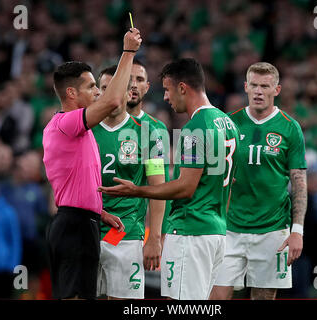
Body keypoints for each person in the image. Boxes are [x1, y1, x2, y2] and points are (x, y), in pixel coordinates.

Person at [99, 58, 241, 300]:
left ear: (182, 88)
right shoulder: (228, 123)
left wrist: (137, 191)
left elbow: (185, 188)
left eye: (167, 89)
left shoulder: (194, 129)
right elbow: (233, 183)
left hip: (190, 229)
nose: (165, 97)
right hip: (216, 230)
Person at [42, 28, 141, 300]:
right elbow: (112, 102)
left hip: (85, 222)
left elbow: (79, 183)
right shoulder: (65, 123)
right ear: (71, 93)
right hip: (73, 226)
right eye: (92, 86)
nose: (98, 91)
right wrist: (128, 52)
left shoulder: (81, 132)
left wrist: (99, 213)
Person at [210, 62, 308, 300]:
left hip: (272, 230)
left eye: (265, 86)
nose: (258, 91)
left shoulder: (290, 127)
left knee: (263, 298)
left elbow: (299, 182)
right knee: (214, 298)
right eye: (253, 85)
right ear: (245, 87)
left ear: (277, 90)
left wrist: (297, 231)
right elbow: (213, 176)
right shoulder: (227, 123)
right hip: (229, 228)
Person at [92, 66, 166, 299]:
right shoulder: (84, 130)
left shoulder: (149, 134)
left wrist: (154, 238)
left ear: (128, 93)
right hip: (87, 232)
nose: (112, 93)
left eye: (118, 88)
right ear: (98, 92)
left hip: (126, 234)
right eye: (105, 88)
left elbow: (158, 187)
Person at [126, 59, 172, 236]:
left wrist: (159, 234)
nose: (134, 85)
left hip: (133, 229)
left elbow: (161, 187)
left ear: (147, 86)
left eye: (139, 79)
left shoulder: (157, 130)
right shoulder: (98, 125)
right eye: (129, 79)